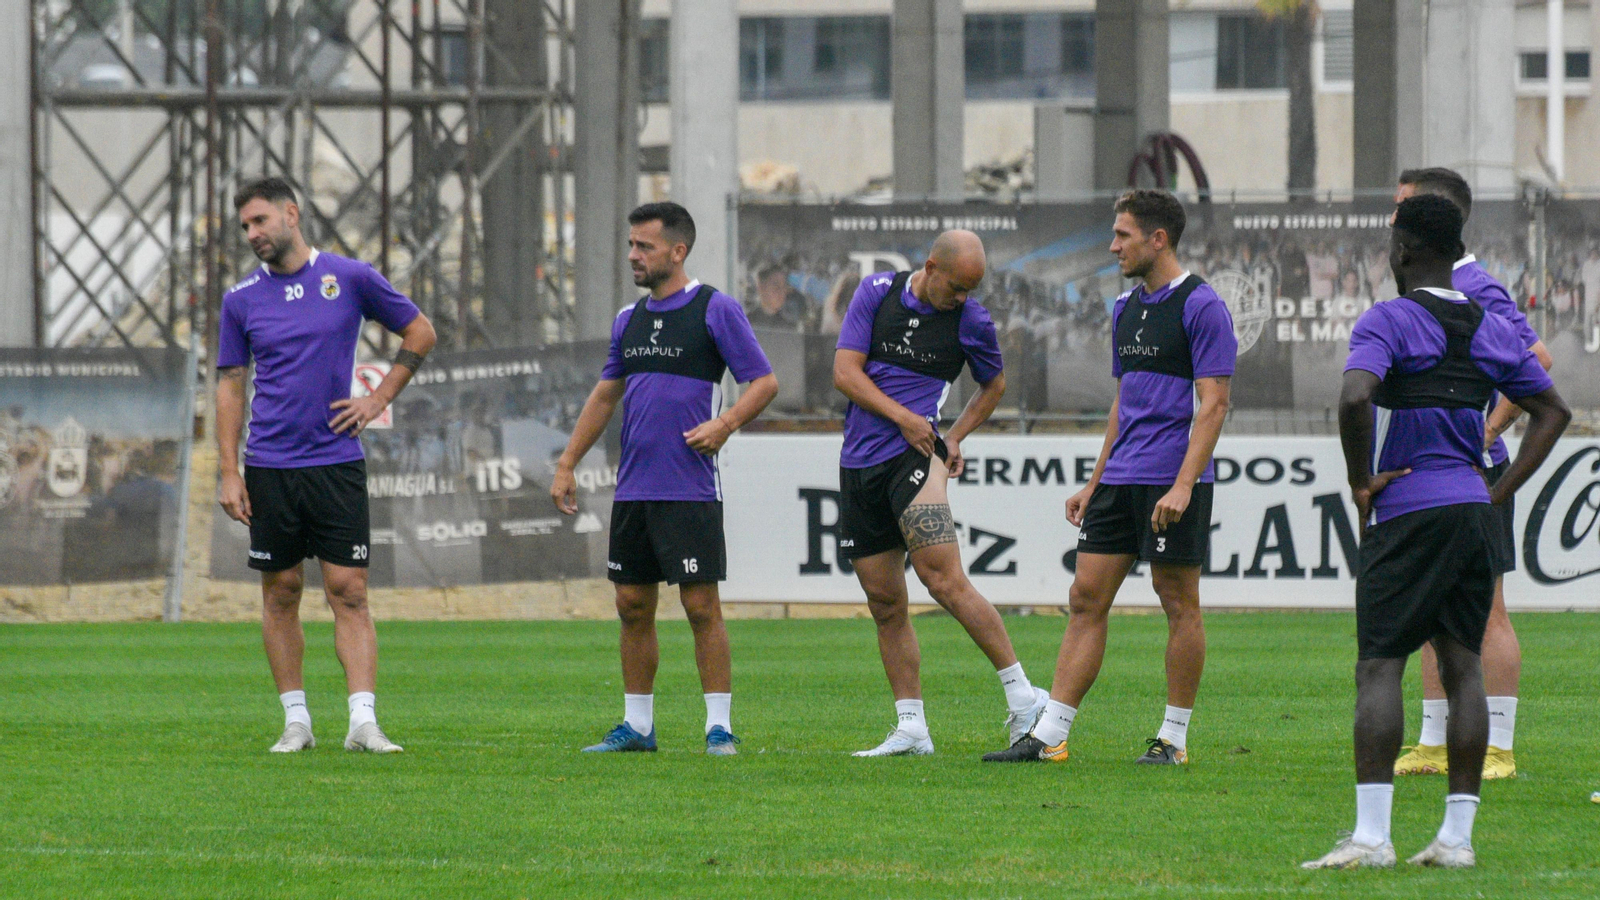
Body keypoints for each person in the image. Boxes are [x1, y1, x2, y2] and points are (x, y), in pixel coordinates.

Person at [1302, 194, 1568, 870]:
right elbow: (1553, 411)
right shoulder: (1488, 326)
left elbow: (1356, 398)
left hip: (1409, 511)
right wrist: (1496, 491)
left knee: (1380, 664)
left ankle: (1371, 836)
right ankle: (1457, 839)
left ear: (1403, 249)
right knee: (1463, 665)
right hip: (1471, 512)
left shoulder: (1388, 320)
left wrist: (1362, 482)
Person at [986, 189, 1235, 766]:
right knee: (1085, 596)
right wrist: (1095, 482)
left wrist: (1183, 485)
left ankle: (1172, 739)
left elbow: (1215, 404)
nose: (1112, 245)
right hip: (1121, 479)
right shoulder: (1125, 307)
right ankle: (1050, 736)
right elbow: (1124, 403)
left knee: (1178, 602)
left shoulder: (1202, 306)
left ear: (1158, 239)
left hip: (1172, 480)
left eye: (1122, 235)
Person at [217, 176, 437, 754]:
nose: (252, 234)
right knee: (282, 590)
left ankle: (362, 722)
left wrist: (378, 398)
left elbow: (421, 330)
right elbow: (231, 386)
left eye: (260, 221)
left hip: (335, 462)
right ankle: (296, 721)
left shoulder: (350, 278)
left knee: (349, 590)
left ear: (291, 214)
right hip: (269, 464)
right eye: (245, 226)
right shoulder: (240, 299)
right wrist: (227, 470)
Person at [551, 202, 778, 756]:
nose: (633, 255)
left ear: (677, 252)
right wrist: (566, 462)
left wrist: (724, 425)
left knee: (702, 607)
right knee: (631, 604)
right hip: (634, 490)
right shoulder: (627, 321)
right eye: (631, 245)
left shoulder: (713, 309)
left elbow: (763, 382)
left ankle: (718, 728)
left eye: (644, 246)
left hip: (690, 488)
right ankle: (638, 728)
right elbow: (607, 394)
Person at [832, 229, 1048, 758]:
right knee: (884, 602)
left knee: (943, 579)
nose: (962, 299)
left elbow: (992, 384)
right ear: (930, 266)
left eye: (971, 290)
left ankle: (1025, 698)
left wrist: (951, 437)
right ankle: (912, 728)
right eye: (956, 288)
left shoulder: (970, 319)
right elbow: (844, 372)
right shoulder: (876, 292)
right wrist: (903, 416)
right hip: (860, 462)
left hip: (916, 458)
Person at [1390, 168, 1554, 782]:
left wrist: (1488, 431)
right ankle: (1434, 742)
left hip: (1472, 474)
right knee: (1433, 610)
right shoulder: (1427, 285)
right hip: (1432, 474)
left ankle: (1499, 748)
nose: (1392, 219)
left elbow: (1536, 358)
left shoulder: (1473, 284)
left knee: (1487, 610)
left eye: (1402, 207)